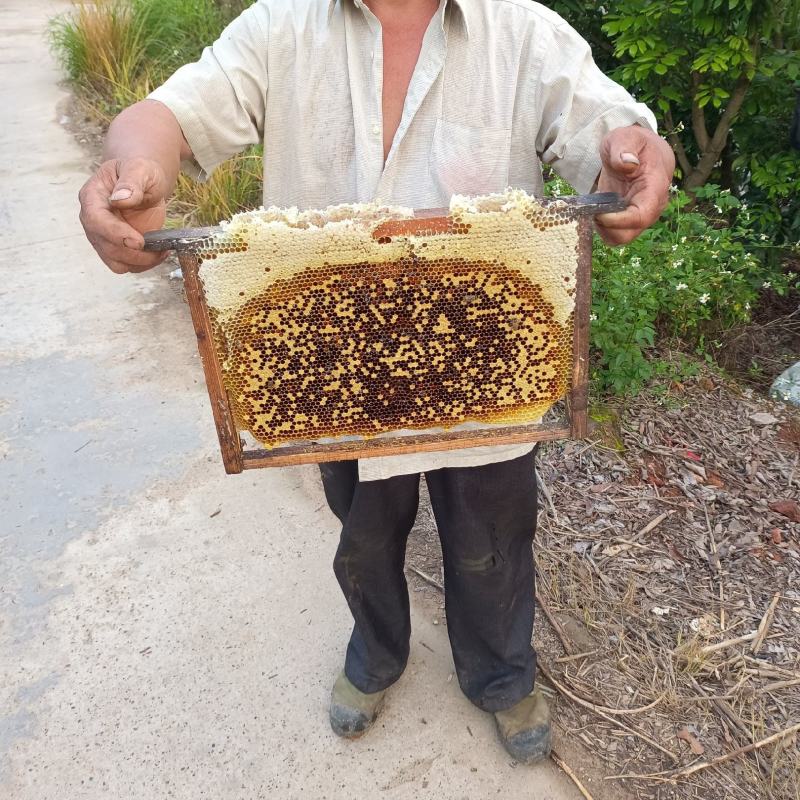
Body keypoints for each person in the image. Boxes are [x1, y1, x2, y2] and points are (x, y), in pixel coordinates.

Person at [78, 0, 674, 764]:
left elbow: (609, 136)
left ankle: (501, 676)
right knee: (362, 542)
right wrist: (138, 169)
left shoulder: (523, 32)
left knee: (491, 543)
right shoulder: (279, 28)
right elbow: (169, 116)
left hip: (486, 372)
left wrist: (632, 156)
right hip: (333, 380)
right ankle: (377, 654)